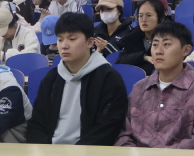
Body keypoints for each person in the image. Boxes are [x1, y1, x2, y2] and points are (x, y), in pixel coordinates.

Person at [115, 21, 194, 150]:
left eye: (166, 44)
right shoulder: (139, 89)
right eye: (155, 44)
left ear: (186, 50)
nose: (158, 51)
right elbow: (123, 133)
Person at [27, 13, 128, 145]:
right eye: (60, 39)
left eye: (72, 39)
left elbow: (108, 128)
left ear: (90, 42)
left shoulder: (109, 79)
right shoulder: (51, 78)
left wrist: (78, 153)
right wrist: (45, 151)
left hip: (88, 152)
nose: (64, 45)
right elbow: (37, 123)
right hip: (51, 152)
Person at [116, 0, 167, 75]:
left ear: (161, 18)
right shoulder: (132, 37)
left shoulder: (169, 39)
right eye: (140, 16)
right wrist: (143, 57)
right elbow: (120, 61)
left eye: (149, 15)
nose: (144, 19)